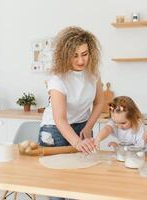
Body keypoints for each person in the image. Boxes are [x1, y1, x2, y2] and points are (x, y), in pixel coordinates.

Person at [38, 26, 104, 156]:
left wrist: (88, 127)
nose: (81, 61)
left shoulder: (93, 74)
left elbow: (99, 102)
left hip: (82, 126)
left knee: (82, 171)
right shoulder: (58, 80)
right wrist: (77, 143)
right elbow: (60, 119)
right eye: (75, 56)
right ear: (65, 56)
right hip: (55, 129)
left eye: (84, 54)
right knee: (55, 173)